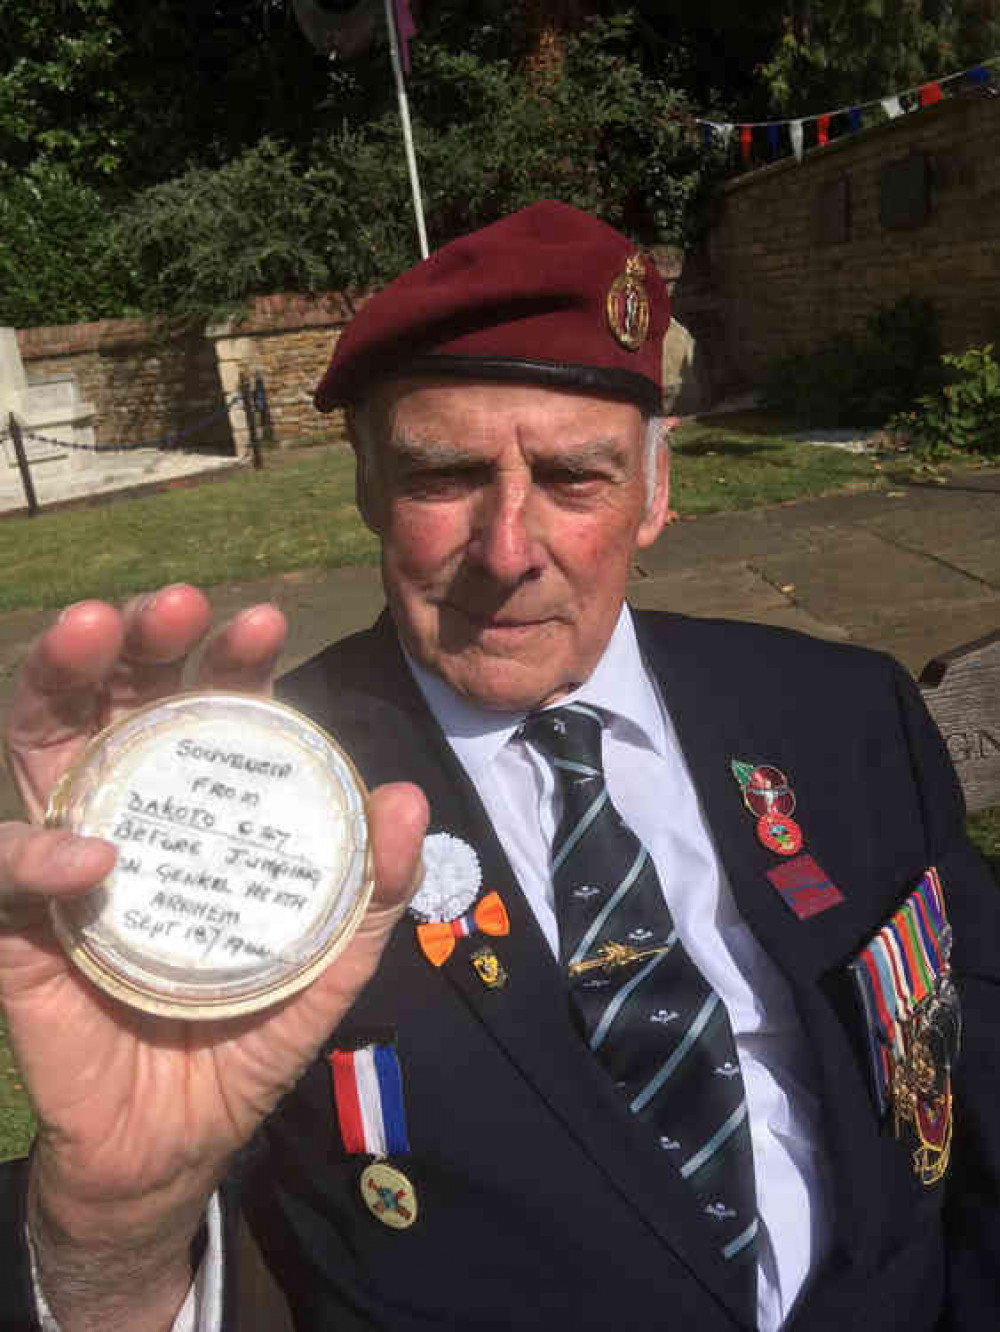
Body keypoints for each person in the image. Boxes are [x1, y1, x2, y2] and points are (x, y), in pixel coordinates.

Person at [0, 200, 998, 1332]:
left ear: (657, 493)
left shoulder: (836, 711)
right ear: (369, 488)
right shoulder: (245, 817)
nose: (509, 550)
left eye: (577, 477)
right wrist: (115, 1233)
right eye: (445, 476)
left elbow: (969, 1063)